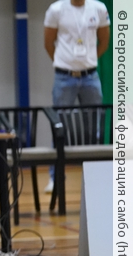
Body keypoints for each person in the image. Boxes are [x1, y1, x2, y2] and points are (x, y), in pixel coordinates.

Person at [43, 0, 110, 192]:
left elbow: (104, 41)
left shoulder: (99, 8)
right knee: (59, 127)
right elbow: (48, 43)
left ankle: (96, 177)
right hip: (64, 77)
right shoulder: (56, 9)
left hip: (90, 77)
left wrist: (88, 61)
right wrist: (66, 63)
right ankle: (56, 178)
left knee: (94, 128)